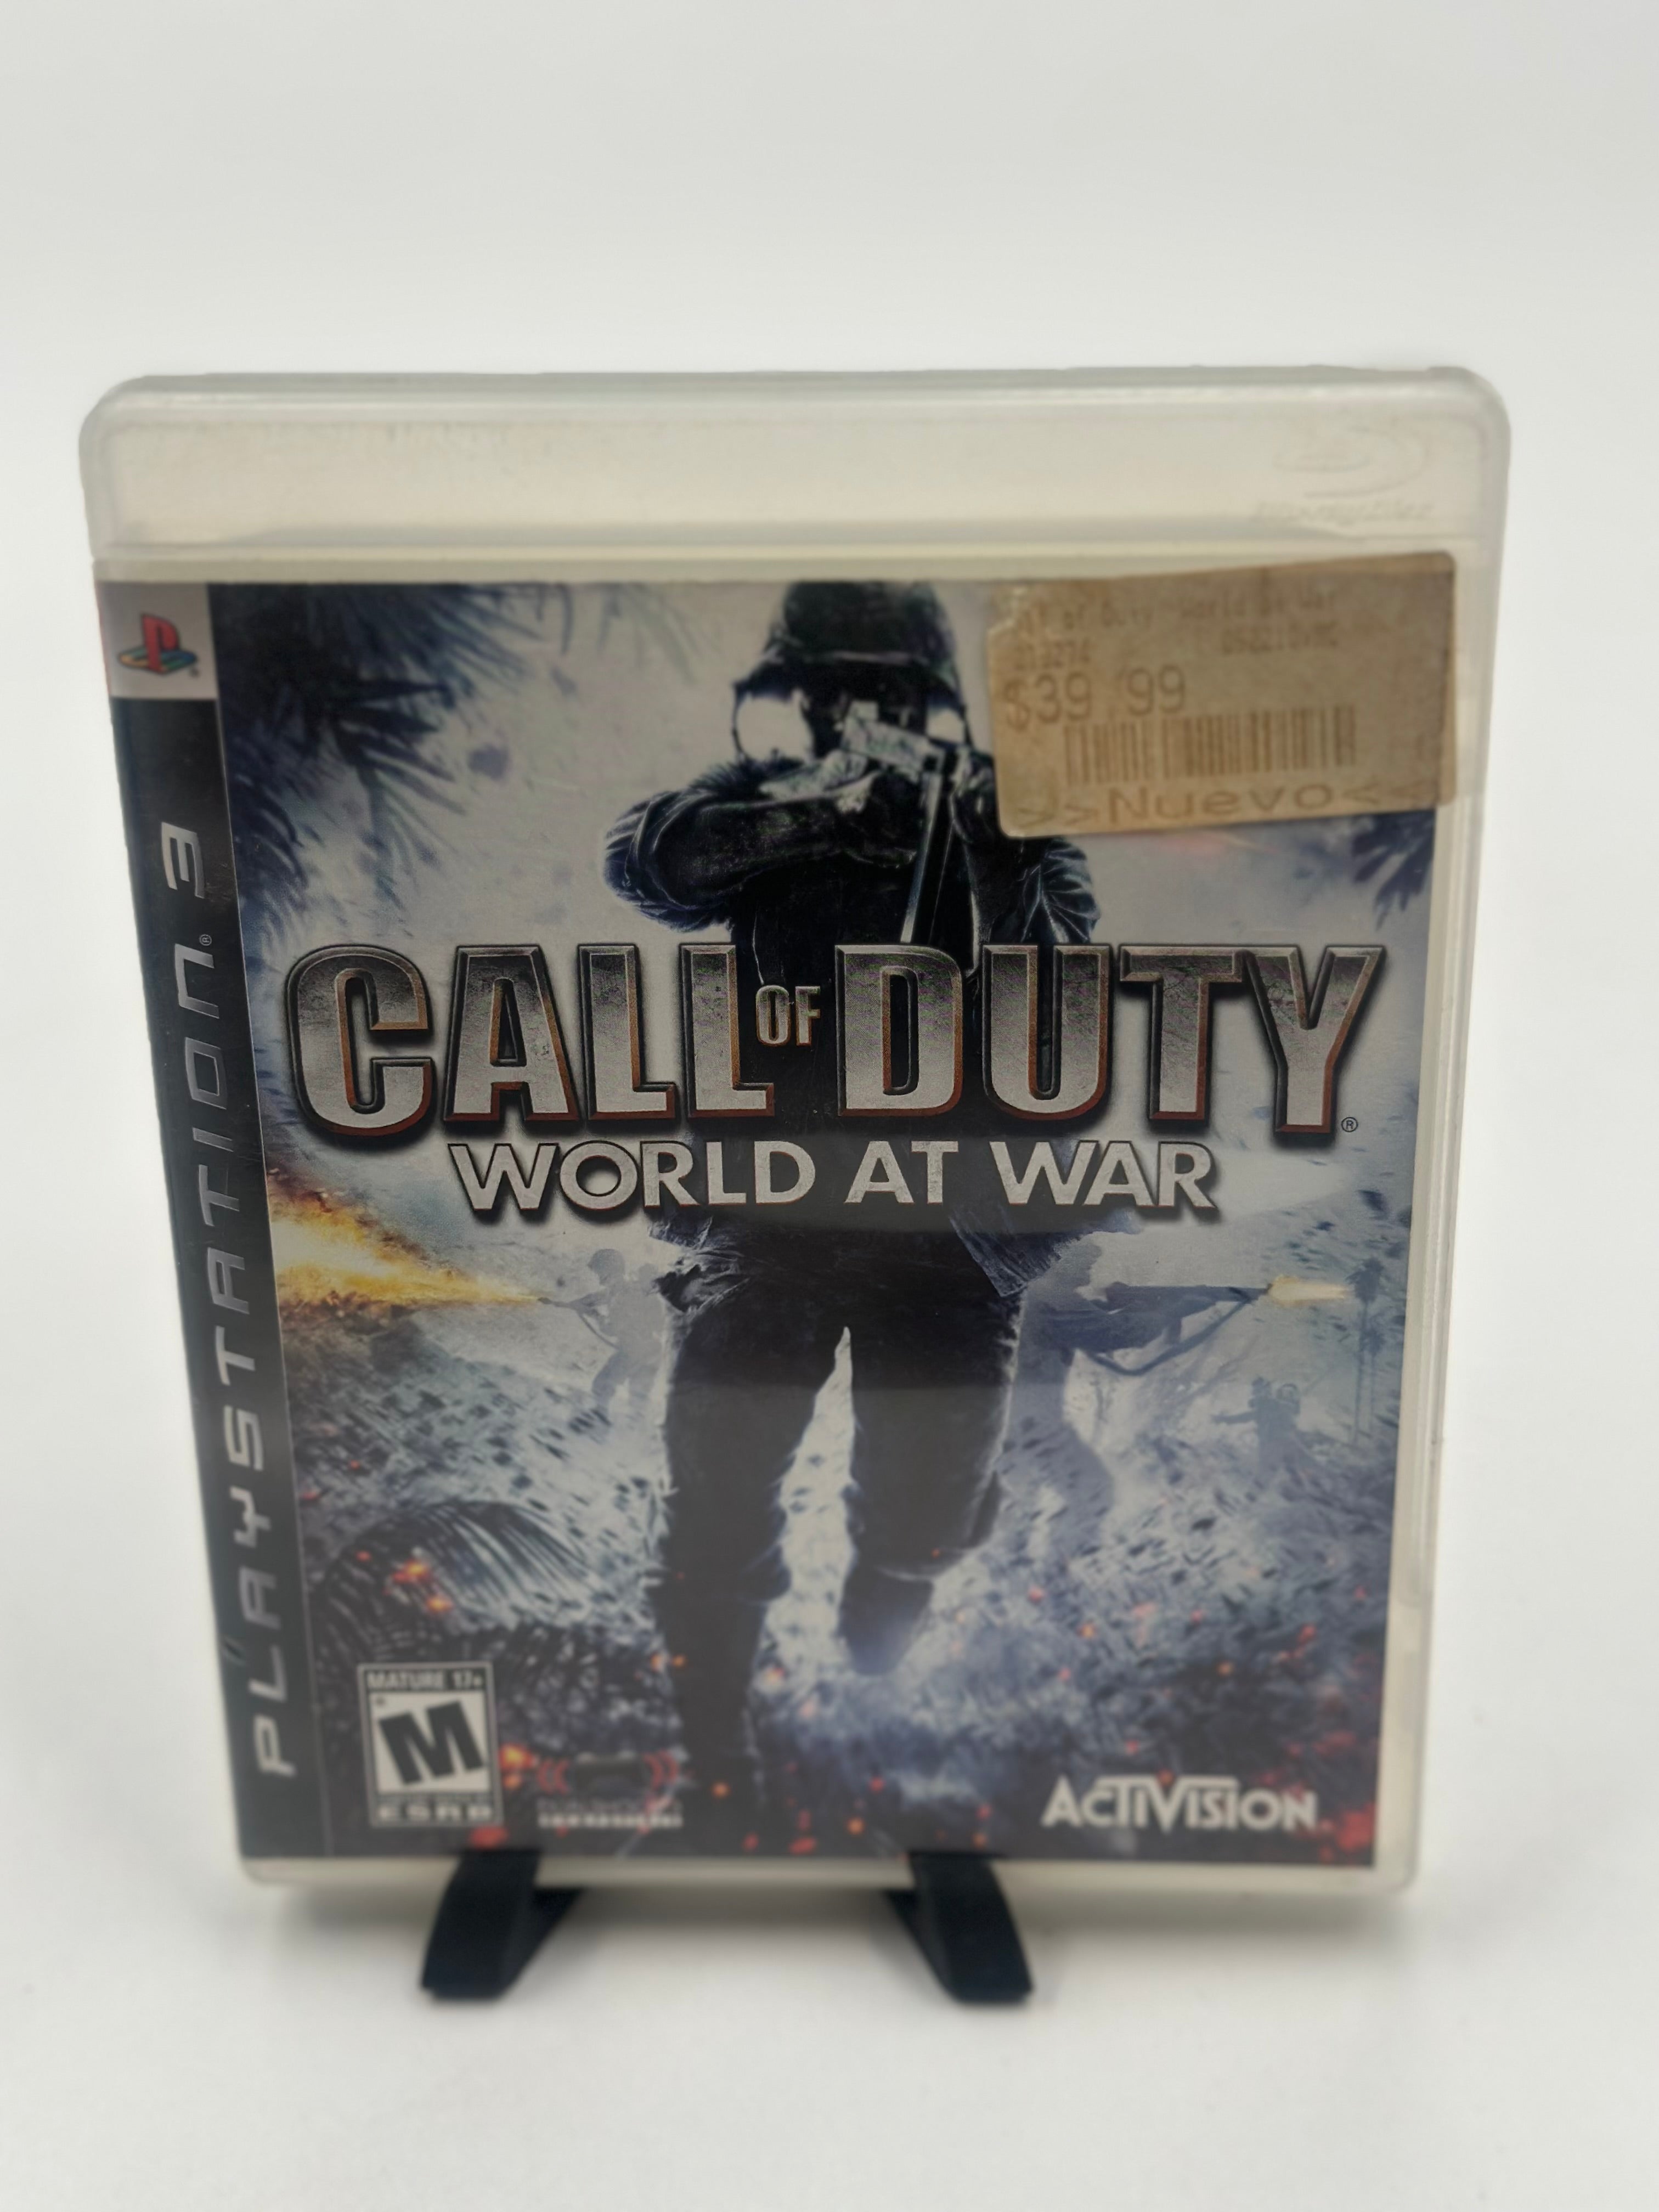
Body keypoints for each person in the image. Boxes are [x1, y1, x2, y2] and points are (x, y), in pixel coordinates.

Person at [604, 583, 1096, 1830]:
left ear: (929, 702)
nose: (861, 711)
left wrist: (995, 856)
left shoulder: (1013, 817)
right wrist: (822, 817)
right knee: (717, 1492)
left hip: (949, 1236)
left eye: (886, 690)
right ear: (806, 699)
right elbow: (653, 862)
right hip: (768, 1217)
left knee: (922, 1527)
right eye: (838, 690)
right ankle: (718, 1769)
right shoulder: (759, 801)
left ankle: (880, 1635)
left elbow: (1067, 1001)